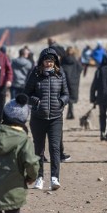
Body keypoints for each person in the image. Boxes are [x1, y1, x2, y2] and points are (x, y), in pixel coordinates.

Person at [23, 47, 69, 191]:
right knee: (39, 150)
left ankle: (55, 178)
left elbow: (66, 94)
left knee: (55, 148)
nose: (48, 64)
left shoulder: (60, 74)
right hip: (38, 118)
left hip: (56, 118)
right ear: (41, 61)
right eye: (46, 61)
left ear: (54, 62)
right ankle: (39, 178)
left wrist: (61, 102)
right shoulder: (35, 74)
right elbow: (26, 94)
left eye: (51, 61)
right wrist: (36, 101)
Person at [90, 53, 107, 140]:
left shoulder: (99, 70)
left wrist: (93, 98)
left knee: (102, 115)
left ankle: (102, 132)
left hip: (101, 97)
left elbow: (94, 86)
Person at [60, 46, 83, 120]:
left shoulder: (63, 59)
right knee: (72, 97)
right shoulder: (75, 60)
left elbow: (59, 69)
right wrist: (75, 75)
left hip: (65, 80)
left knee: (64, 96)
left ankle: (67, 112)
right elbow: (80, 68)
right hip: (74, 81)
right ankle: (70, 111)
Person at [0, 44, 12, 123]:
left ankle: (0, 120)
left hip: (2, 83)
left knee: (2, 104)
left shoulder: (3, 57)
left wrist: (9, 80)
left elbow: (9, 70)